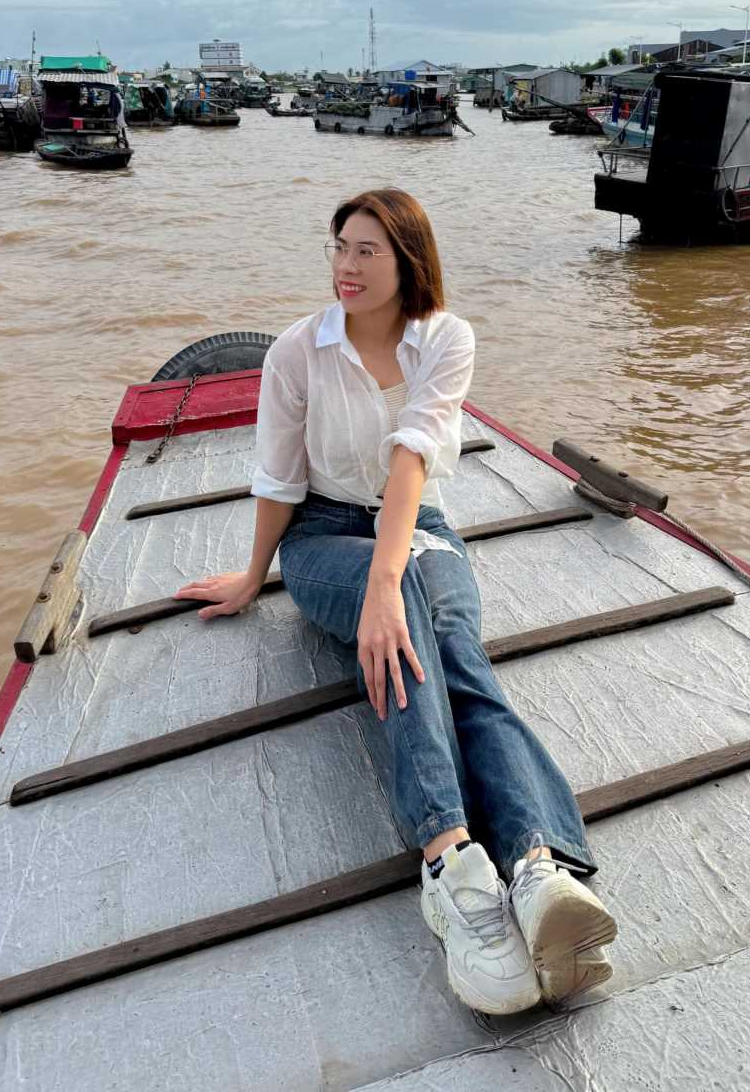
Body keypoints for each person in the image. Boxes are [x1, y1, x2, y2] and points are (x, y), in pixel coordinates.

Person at [175, 187, 617, 1018]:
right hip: (321, 540)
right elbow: (278, 479)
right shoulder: (296, 353)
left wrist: (388, 582)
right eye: (340, 247)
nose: (346, 265)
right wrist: (252, 575)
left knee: (456, 655)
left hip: (420, 527)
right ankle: (453, 860)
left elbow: (414, 459)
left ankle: (530, 872)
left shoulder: (444, 339)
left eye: (367, 250)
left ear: (408, 256)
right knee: (424, 618)